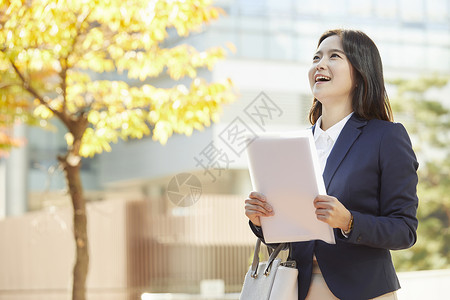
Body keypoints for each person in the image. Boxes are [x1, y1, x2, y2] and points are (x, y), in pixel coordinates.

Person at [244, 29, 419, 300]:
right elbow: (290, 235)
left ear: (360, 73)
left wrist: (348, 222)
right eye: (316, 57)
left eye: (334, 56)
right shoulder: (295, 145)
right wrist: (261, 221)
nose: (320, 64)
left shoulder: (386, 137)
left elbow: (404, 230)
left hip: (364, 291)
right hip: (299, 288)